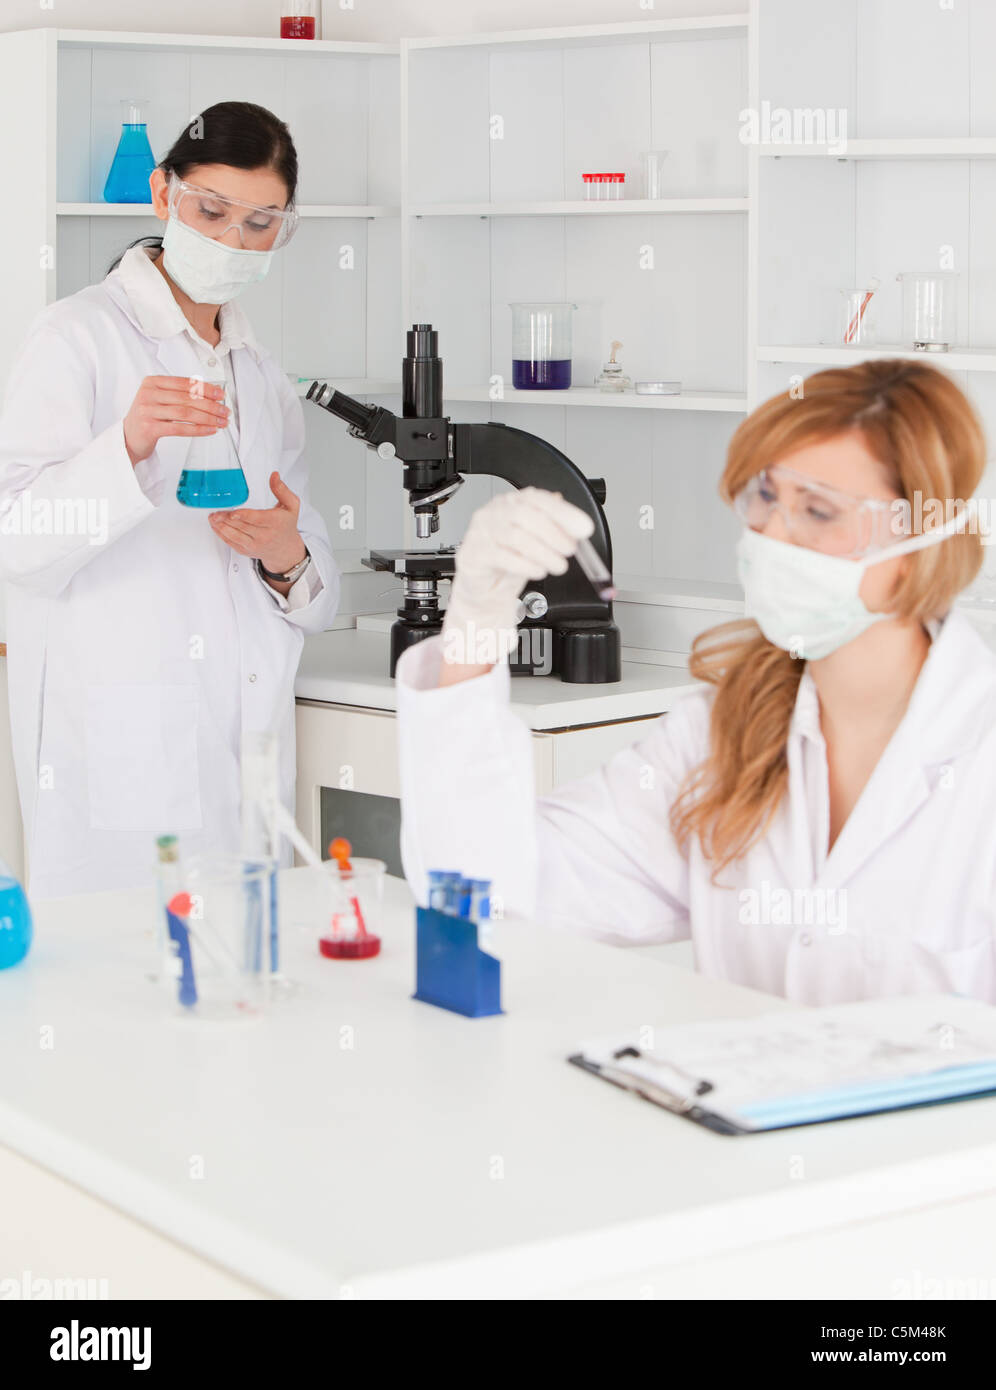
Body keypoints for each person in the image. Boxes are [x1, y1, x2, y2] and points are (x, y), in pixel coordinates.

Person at [394, 359, 996, 1005]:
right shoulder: (719, 734)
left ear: (922, 543)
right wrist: (474, 631)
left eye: (818, 510)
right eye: (766, 498)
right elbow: (489, 894)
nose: (771, 537)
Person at [0, 102, 339, 898]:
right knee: (120, 998)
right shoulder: (76, 338)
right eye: (211, 211)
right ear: (163, 194)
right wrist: (126, 447)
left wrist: (285, 556)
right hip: (121, 750)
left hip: (243, 748)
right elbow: (15, 541)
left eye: (261, 223)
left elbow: (312, 588)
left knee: (244, 987)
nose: (232, 241)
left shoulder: (258, 371)